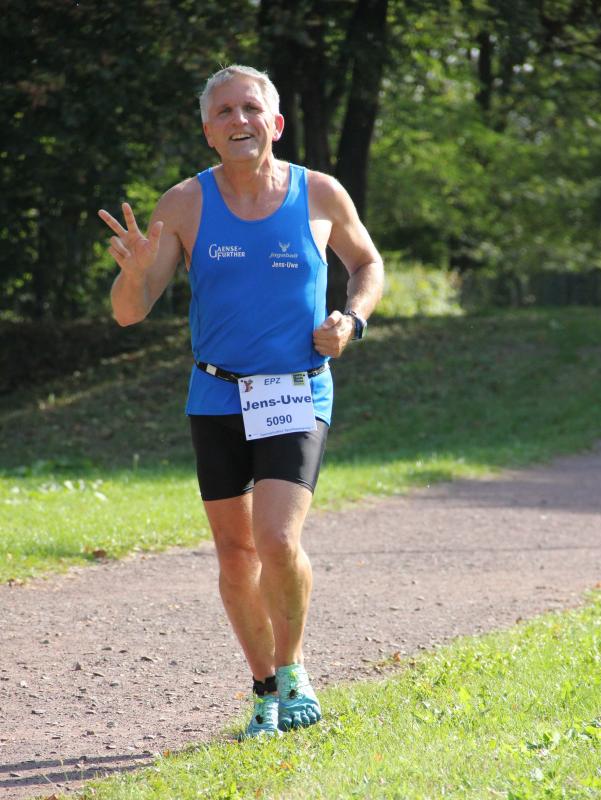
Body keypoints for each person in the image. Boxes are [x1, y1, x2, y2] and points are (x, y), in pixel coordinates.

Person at [98, 65, 384, 738]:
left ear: (275, 123)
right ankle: (263, 691)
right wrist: (133, 275)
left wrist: (352, 321)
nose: (239, 121)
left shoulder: (319, 193)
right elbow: (129, 312)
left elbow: (367, 264)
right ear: (208, 132)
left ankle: (293, 668)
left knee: (277, 540)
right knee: (235, 555)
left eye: (250, 108)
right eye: (223, 112)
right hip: (217, 393)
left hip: (296, 388)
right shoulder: (184, 204)